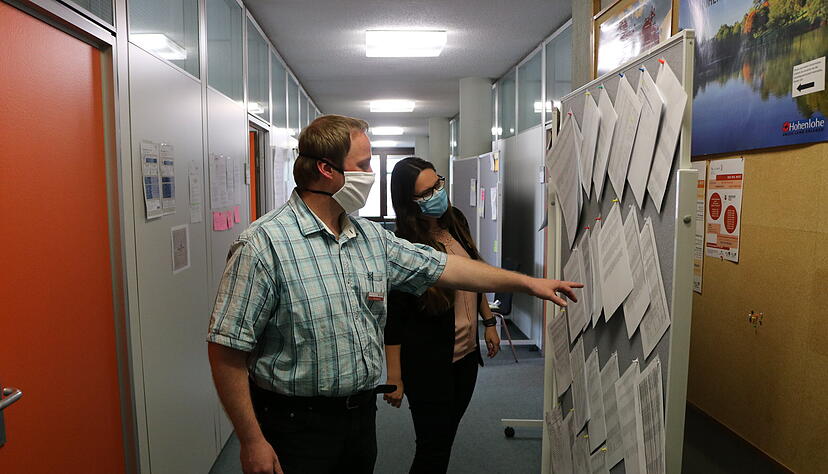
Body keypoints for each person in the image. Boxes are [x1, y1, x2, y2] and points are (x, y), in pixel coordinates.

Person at [206, 114, 582, 474]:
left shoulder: (369, 238)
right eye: (364, 165)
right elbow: (226, 350)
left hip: (359, 418)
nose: (371, 174)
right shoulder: (263, 245)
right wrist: (250, 439)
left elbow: (446, 267)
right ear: (326, 170)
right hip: (295, 425)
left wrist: (528, 283)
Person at [382, 157, 499, 473]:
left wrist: (488, 321)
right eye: (426, 193)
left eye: (438, 184)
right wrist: (394, 376)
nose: (437, 194)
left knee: (444, 440)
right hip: (428, 362)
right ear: (409, 202)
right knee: (432, 447)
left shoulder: (456, 220)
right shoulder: (404, 245)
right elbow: (395, 318)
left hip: (466, 357)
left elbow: (475, 273)